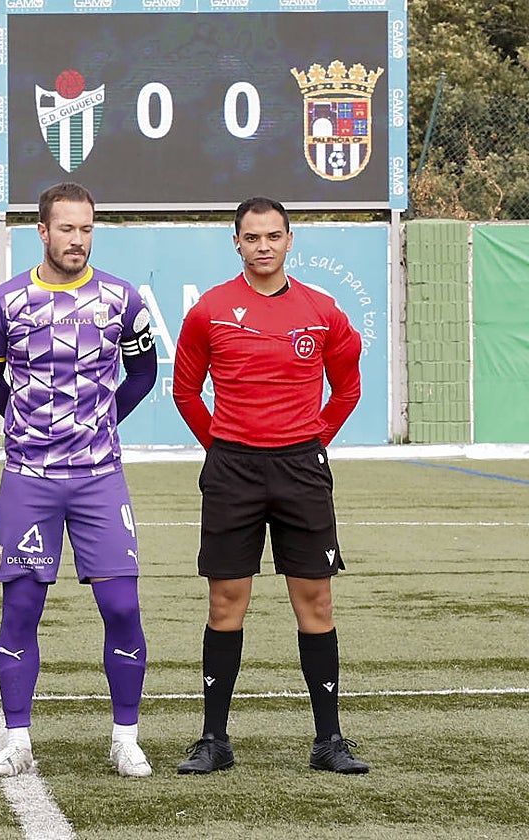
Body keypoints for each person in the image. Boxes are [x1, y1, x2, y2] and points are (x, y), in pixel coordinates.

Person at [171, 196, 368, 775]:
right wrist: (221, 447)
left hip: (301, 470)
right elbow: (186, 391)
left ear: (289, 241)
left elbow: (347, 388)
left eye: (273, 236)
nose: (263, 246)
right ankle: (214, 739)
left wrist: (313, 440)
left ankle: (329, 740)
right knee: (226, 601)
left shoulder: (322, 311)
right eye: (252, 237)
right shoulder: (209, 311)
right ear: (236, 242)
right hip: (233, 469)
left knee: (316, 600)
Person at [0, 182, 159, 778]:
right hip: (30, 478)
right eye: (66, 228)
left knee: (121, 605)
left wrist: (99, 423)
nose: (76, 240)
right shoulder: (5, 302)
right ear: (43, 231)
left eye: (85, 229)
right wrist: (27, 421)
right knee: (21, 608)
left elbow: (144, 373)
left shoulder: (122, 299)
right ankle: (17, 740)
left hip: (99, 477)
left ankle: (125, 738)